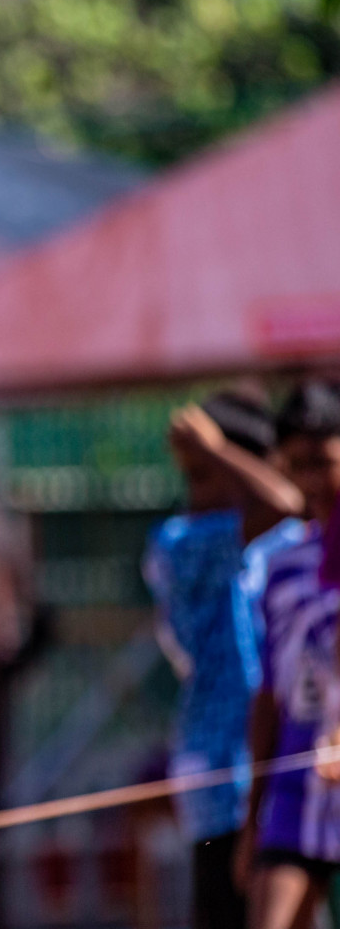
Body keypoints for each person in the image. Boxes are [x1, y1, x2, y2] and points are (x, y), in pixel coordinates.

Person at [141, 391, 306, 929]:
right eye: (193, 474)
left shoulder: (271, 546)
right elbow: (286, 501)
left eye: (207, 473)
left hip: (258, 766)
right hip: (221, 776)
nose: (194, 492)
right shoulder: (185, 539)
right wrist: (218, 454)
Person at [240, 380, 340, 929]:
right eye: (297, 465)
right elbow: (271, 691)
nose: (312, 482)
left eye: (323, 462)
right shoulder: (279, 567)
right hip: (300, 789)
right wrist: (253, 816)